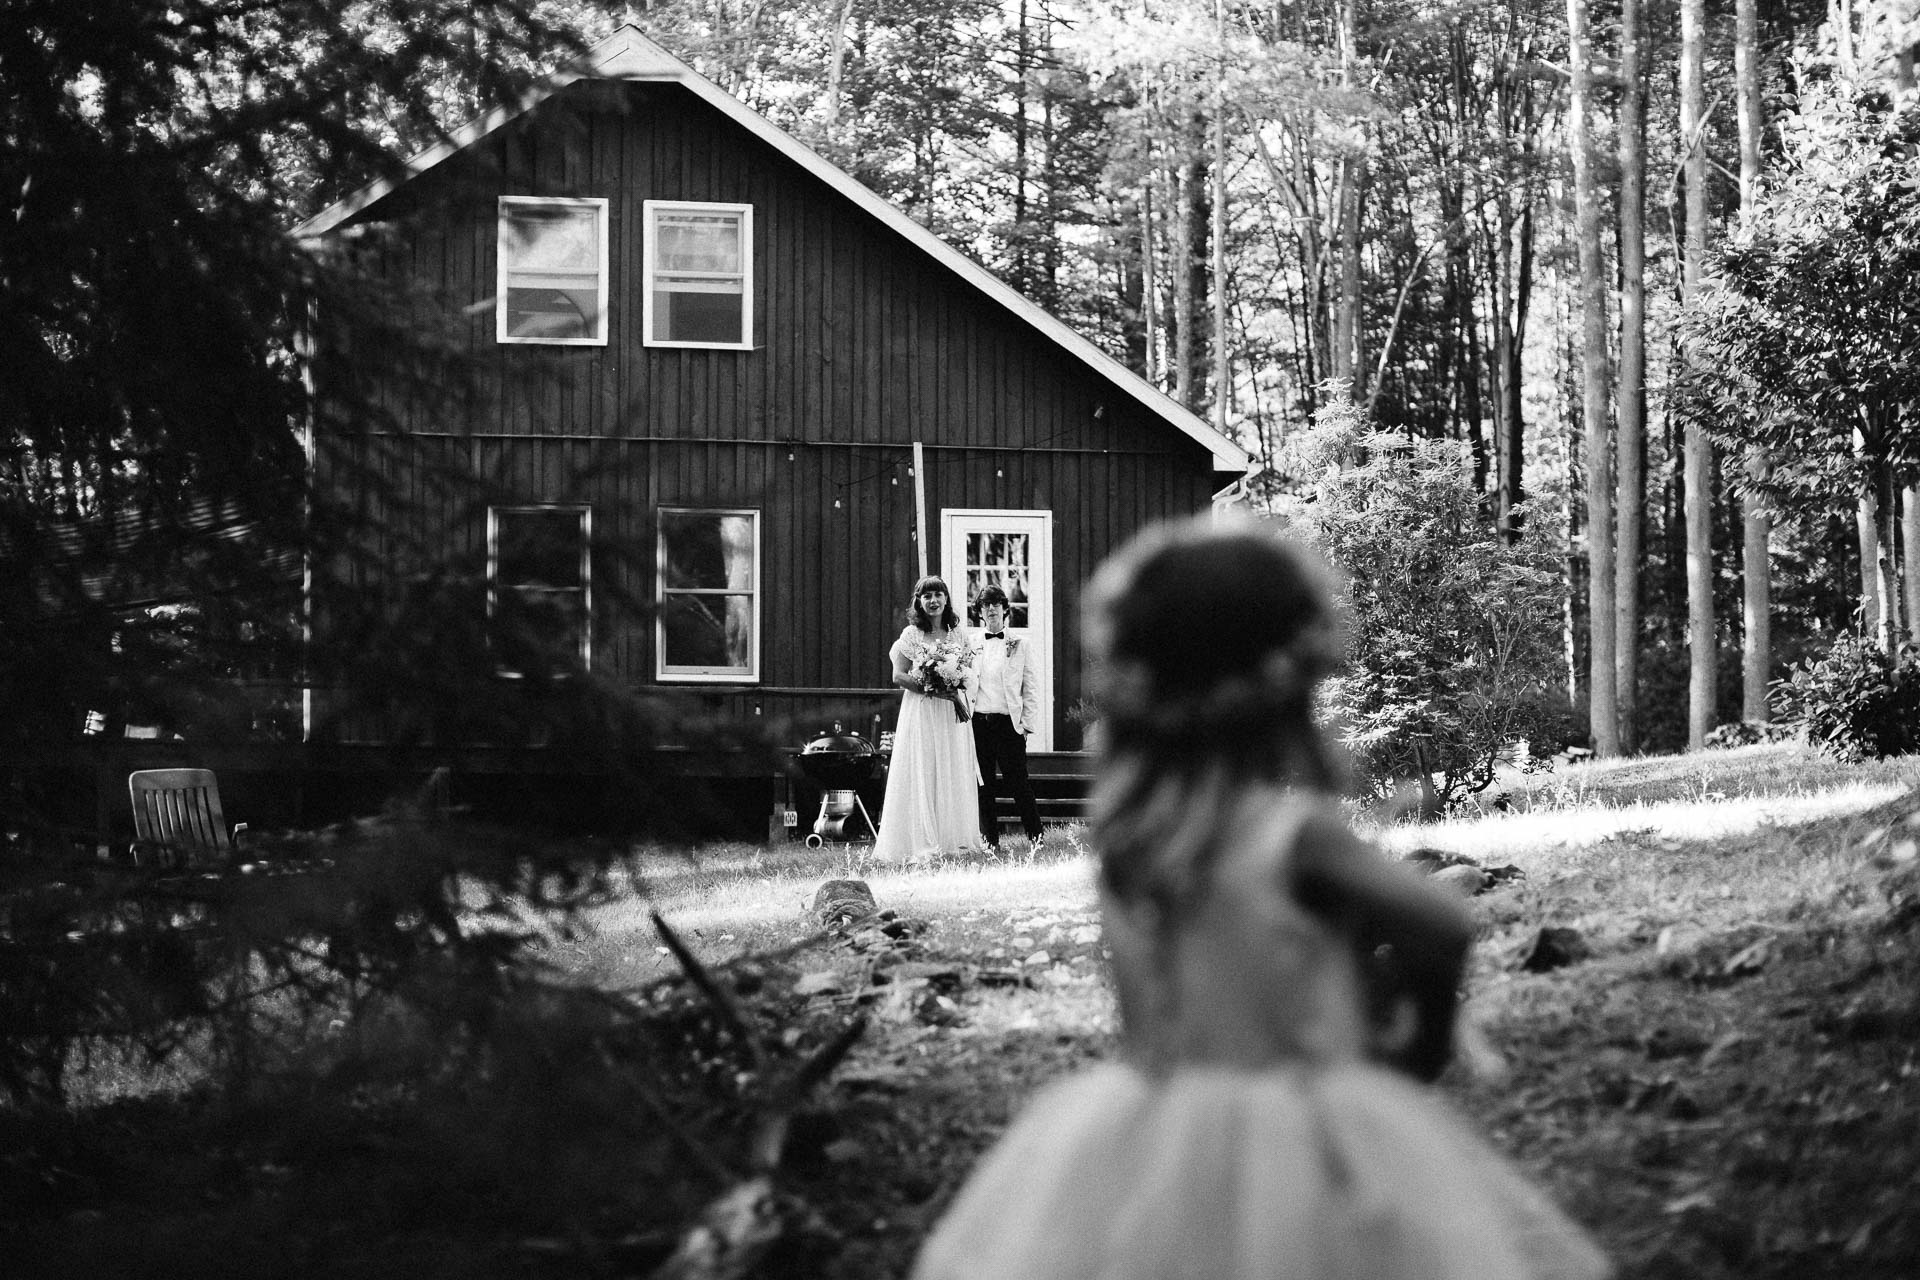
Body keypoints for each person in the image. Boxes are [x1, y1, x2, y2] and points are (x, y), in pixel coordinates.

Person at [912, 516, 1611, 1280]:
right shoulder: (1293, 833)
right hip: (1308, 1125)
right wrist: (1416, 1049)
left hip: (1150, 1132)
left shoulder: (1130, 843)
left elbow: (1148, 1016)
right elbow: (1440, 924)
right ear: (1290, 683)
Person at [874, 576, 984, 861]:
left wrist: (955, 682)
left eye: (937, 594)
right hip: (922, 710)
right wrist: (929, 686)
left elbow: (968, 671)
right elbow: (898, 675)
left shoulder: (958, 634)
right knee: (924, 767)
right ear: (919, 602)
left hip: (950, 712)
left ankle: (953, 838)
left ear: (946, 599)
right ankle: (921, 839)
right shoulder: (911, 635)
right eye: (927, 596)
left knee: (951, 766)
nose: (933, 601)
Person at [968, 584, 1045, 852]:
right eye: (985, 605)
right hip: (979, 723)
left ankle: (1036, 838)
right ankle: (990, 842)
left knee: (1019, 783)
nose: (991, 609)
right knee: (984, 785)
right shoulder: (971, 645)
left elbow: (1031, 687)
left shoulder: (1020, 644)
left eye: (996, 604)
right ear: (980, 612)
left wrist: (1026, 726)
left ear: (1004, 609)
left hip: (1008, 724)